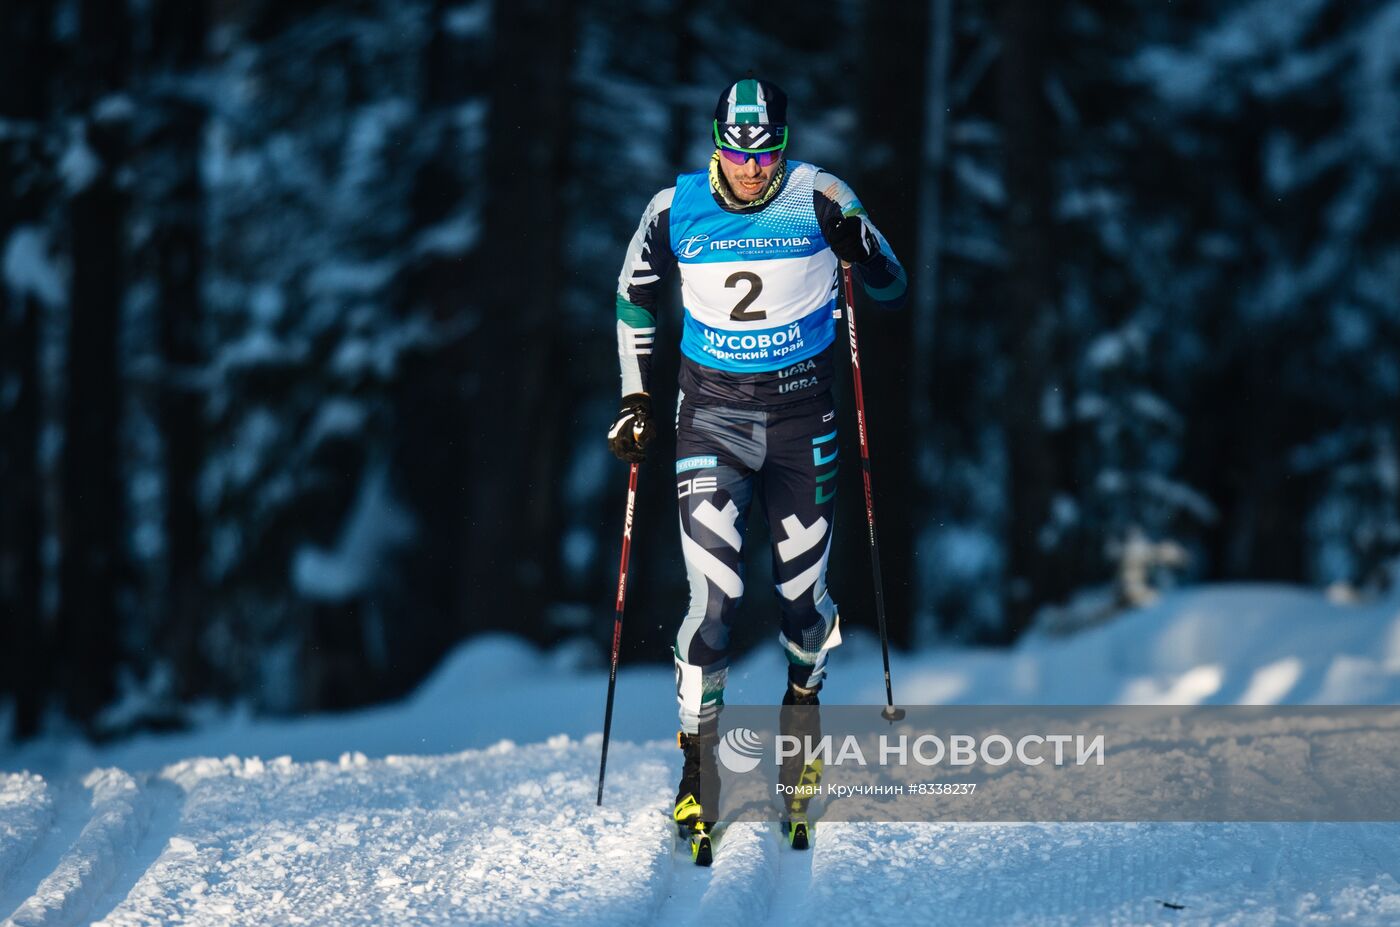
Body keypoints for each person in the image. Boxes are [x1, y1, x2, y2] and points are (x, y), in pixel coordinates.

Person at [607, 78, 906, 849]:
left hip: (804, 418)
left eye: (764, 154)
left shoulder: (819, 194)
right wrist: (636, 399)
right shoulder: (673, 209)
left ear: (782, 145)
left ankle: (802, 714)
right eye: (737, 156)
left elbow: (892, 283)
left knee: (804, 601)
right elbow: (634, 296)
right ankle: (697, 769)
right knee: (715, 599)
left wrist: (860, 245)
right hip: (711, 417)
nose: (750, 171)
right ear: (716, 144)